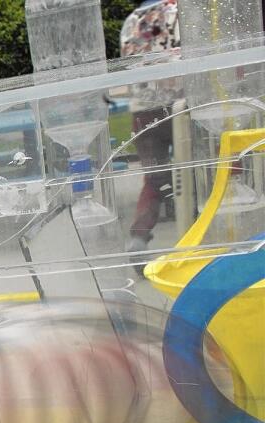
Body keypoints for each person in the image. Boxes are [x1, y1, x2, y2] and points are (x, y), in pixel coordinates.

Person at [120, 0, 181, 255]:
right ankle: (199, 229)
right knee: (199, 167)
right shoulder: (177, 13)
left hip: (143, 111)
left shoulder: (131, 22)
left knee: (154, 178)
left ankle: (139, 236)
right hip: (179, 104)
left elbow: (127, 64)